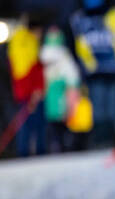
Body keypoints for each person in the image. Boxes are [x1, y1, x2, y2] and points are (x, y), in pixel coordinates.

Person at [69, 0, 115, 148]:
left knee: (110, 109)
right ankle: (100, 142)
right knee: (99, 110)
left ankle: (110, 141)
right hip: (94, 71)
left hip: (113, 69)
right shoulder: (79, 20)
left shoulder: (114, 16)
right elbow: (75, 46)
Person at [7, 15, 46, 157]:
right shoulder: (30, 45)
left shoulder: (16, 43)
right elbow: (34, 70)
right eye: (39, 31)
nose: (40, 35)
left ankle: (23, 152)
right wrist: (37, 90)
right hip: (31, 92)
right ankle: (37, 151)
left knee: (25, 122)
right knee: (35, 123)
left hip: (22, 91)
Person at [39, 26, 81, 153]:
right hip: (59, 93)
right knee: (60, 124)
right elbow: (73, 75)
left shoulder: (43, 55)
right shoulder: (63, 55)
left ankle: (57, 146)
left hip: (54, 93)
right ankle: (60, 146)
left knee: (56, 124)